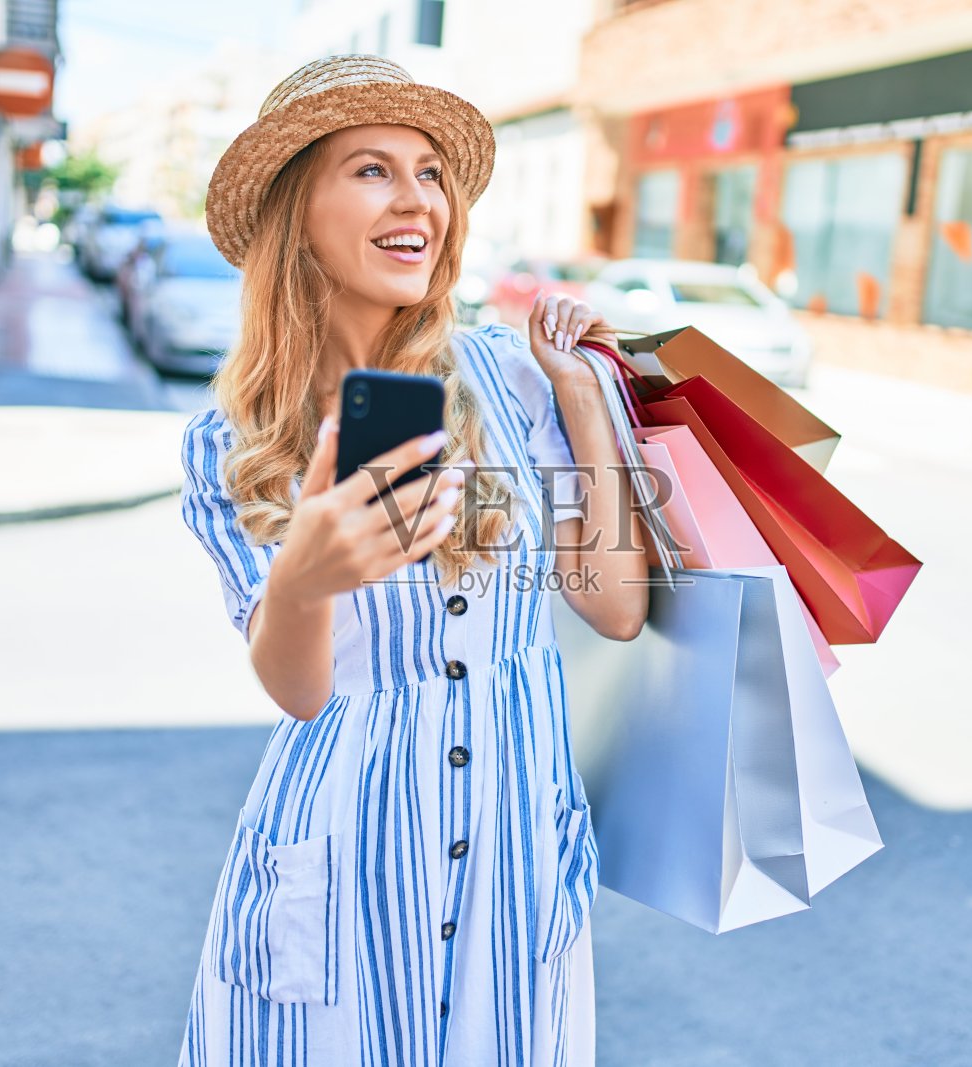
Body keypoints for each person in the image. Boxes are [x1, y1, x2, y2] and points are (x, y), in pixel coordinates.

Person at [175, 55, 649, 1066]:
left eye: (431, 172)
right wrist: (306, 568)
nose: (417, 200)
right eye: (371, 169)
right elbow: (299, 692)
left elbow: (612, 606)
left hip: (514, 852)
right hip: (348, 852)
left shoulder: (508, 380)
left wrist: (577, 399)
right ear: (295, 209)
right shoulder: (229, 437)